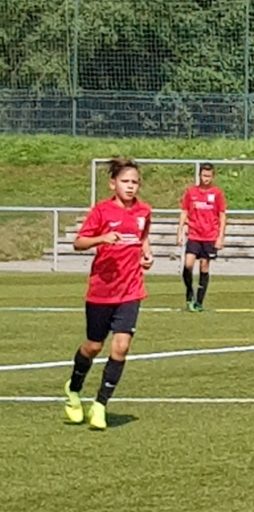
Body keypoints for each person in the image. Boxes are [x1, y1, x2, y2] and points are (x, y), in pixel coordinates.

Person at [63, 157, 153, 431]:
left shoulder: (144, 211)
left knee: (121, 346)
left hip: (131, 290)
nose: (130, 186)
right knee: (93, 346)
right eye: (125, 181)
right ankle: (73, 388)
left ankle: (100, 404)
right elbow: (79, 242)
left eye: (135, 182)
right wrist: (102, 238)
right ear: (113, 184)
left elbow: (142, 236)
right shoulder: (102, 211)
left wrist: (146, 254)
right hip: (102, 292)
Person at [177, 162, 228, 312]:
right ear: (199, 175)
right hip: (194, 234)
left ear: (213, 177)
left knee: (204, 266)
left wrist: (220, 236)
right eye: (204, 175)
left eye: (209, 176)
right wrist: (179, 231)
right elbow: (184, 211)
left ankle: (199, 301)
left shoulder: (217, 193)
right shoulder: (191, 192)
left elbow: (222, 215)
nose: (206, 178)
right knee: (188, 264)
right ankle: (189, 293)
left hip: (210, 236)